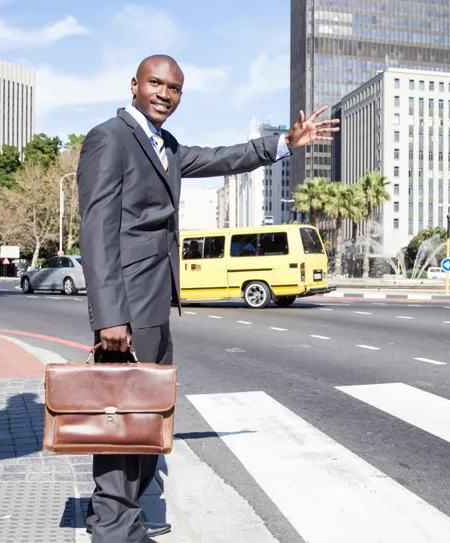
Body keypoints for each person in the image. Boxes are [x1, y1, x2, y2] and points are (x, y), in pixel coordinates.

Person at [75, 54, 338, 543]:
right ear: (134, 85)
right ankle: (112, 527)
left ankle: (129, 514)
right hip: (128, 305)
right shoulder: (109, 139)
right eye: (155, 83)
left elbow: (221, 157)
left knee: (148, 412)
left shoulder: (165, 145)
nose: (164, 94)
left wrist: (284, 142)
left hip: (154, 299)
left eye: (174, 89)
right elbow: (96, 230)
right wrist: (110, 315)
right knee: (121, 415)